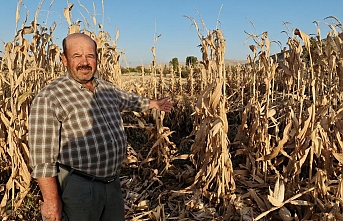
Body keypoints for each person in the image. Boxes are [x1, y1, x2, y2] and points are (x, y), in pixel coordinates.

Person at [28, 33, 173, 221]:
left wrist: (153, 103)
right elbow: (42, 157)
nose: (85, 62)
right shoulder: (50, 97)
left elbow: (127, 100)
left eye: (90, 55)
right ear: (64, 59)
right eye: (77, 56)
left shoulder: (105, 88)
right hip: (79, 186)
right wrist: (50, 201)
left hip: (112, 182)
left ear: (97, 58)